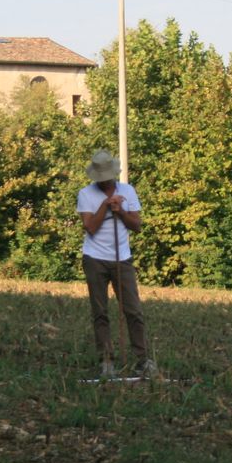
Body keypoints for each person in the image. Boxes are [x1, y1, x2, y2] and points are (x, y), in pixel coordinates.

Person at [77, 150, 155, 379]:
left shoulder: (127, 191)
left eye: (108, 178)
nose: (105, 182)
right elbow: (90, 227)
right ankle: (106, 360)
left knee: (133, 310)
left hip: (122, 259)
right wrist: (105, 205)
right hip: (94, 258)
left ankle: (142, 359)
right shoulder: (85, 194)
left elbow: (137, 225)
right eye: (100, 179)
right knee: (100, 311)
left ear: (113, 174)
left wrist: (119, 211)